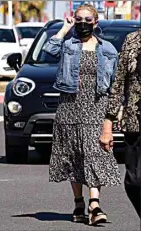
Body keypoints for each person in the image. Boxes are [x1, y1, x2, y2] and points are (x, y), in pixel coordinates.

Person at [43, 4, 121, 226]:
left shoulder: (108, 49)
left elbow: (114, 84)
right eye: (79, 19)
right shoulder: (68, 44)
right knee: (73, 154)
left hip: (96, 106)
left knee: (95, 153)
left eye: (88, 20)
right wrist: (63, 29)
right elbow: (49, 51)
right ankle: (78, 202)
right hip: (69, 106)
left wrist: (112, 116)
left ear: (96, 22)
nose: (84, 23)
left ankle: (94, 204)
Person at [100, 29, 141, 218]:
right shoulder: (132, 40)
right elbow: (118, 84)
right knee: (133, 182)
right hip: (134, 124)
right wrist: (108, 123)